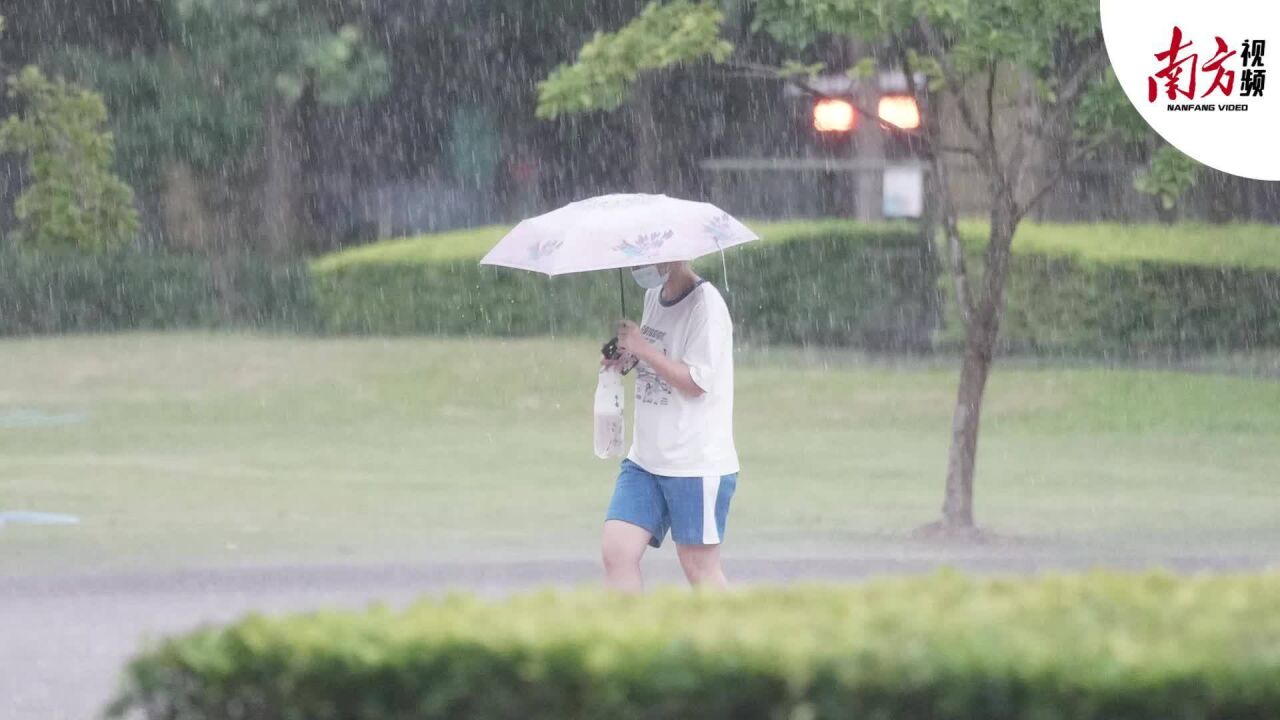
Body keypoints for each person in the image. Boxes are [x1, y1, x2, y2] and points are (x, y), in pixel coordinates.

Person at [600, 260, 738, 592]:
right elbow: (657, 357)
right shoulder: (653, 295)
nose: (638, 264)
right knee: (617, 552)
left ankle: (736, 640)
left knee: (699, 567)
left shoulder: (707, 306)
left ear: (675, 253)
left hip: (694, 462)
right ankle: (630, 642)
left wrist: (642, 348)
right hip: (645, 459)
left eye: (645, 255)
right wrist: (625, 359)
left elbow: (696, 382)